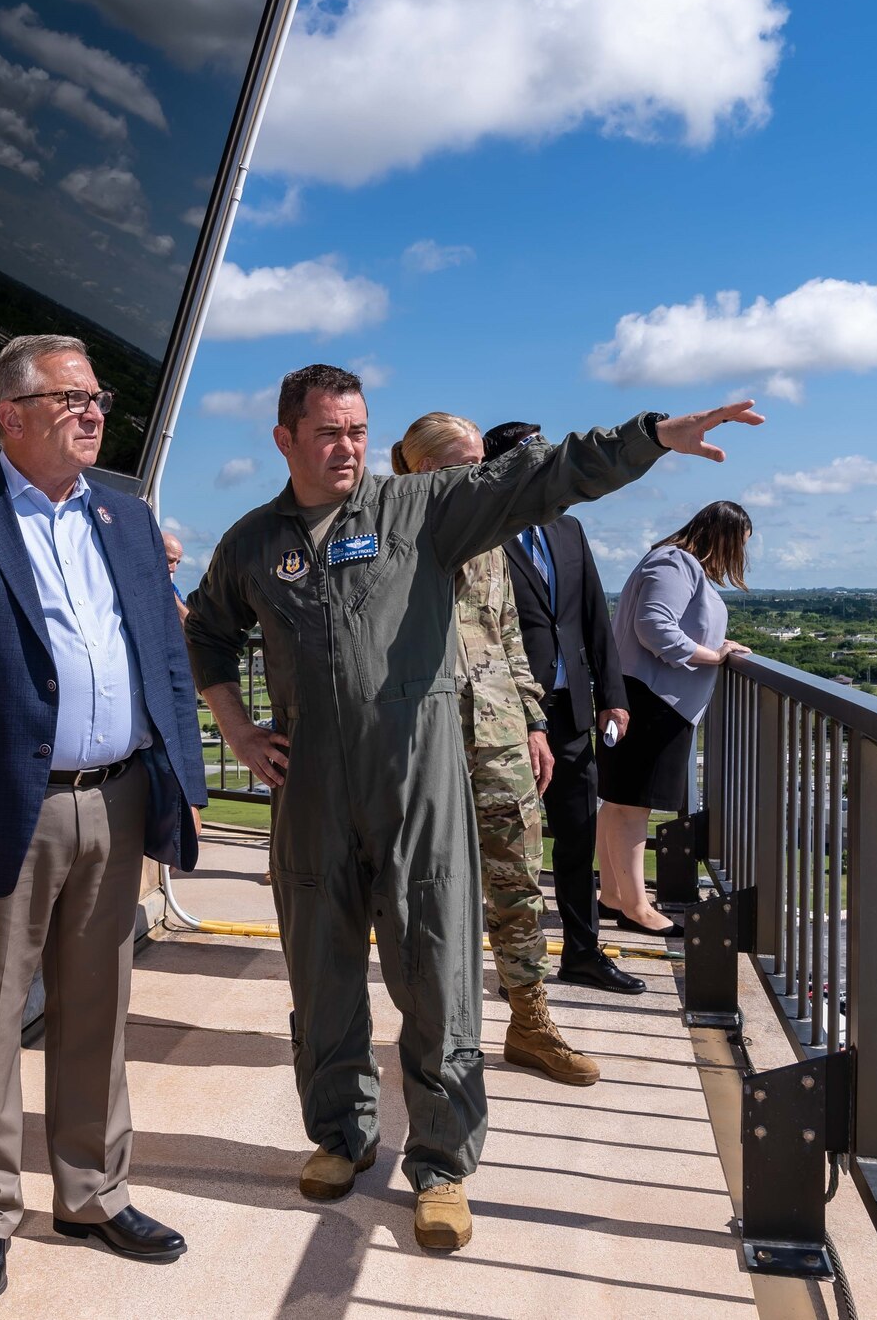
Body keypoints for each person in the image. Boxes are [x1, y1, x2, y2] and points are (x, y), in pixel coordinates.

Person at [185, 362, 761, 1251]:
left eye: (358, 429)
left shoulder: (418, 512)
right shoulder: (255, 543)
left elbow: (540, 473)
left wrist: (651, 435)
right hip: (310, 794)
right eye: (329, 431)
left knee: (438, 974)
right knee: (323, 972)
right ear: (285, 438)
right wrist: (238, 730)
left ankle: (444, 1166)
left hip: (419, 788)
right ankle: (341, 1135)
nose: (347, 446)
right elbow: (207, 632)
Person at [0, 334, 208, 1308]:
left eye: (98, 396)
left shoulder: (128, 520)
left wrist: (179, 774)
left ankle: (93, 1195)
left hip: (117, 796)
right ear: (9, 415)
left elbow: (166, 660)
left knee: (97, 1008)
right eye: (70, 398)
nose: (93, 411)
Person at [390, 413, 599, 1087]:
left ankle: (530, 1022)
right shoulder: (390, 537)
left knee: (517, 881)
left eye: (484, 461)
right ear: (424, 470)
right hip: (426, 738)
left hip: (502, 735)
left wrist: (535, 723)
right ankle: (439, 1037)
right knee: (430, 892)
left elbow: (509, 638)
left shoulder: (492, 537)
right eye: (467, 463)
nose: (483, 476)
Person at [481, 422, 644, 995]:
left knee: (576, 838)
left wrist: (612, 696)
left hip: (572, 708)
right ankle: (518, 968)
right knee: (510, 850)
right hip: (503, 713)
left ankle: (582, 953)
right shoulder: (481, 533)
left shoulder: (569, 530)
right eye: (536, 460)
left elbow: (594, 615)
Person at [596, 502, 754, 937]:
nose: (739, 556)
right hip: (651, 702)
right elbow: (654, 626)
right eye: (740, 545)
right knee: (632, 807)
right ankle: (636, 908)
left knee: (619, 801)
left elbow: (669, 623)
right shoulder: (674, 562)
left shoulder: (673, 563)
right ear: (723, 536)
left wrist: (716, 641)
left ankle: (613, 896)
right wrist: (712, 655)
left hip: (644, 698)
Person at [162, 529, 191, 621]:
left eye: (177, 563)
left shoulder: (172, 589)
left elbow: (189, 627)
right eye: (170, 561)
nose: (174, 569)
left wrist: (169, 593)